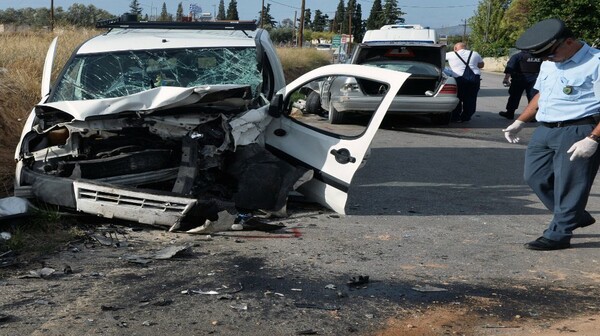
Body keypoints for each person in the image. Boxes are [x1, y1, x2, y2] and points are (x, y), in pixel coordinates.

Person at [502, 18, 600, 250]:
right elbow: (541, 95)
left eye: (551, 54)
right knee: (535, 177)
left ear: (568, 41)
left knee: (570, 185)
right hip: (544, 129)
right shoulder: (551, 62)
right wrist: (520, 121)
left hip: (578, 130)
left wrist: (593, 139)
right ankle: (575, 214)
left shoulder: (595, 62)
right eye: (544, 56)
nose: (547, 60)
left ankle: (559, 234)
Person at [446, 42, 485, 122]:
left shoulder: (450, 54)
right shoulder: (474, 53)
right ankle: (466, 116)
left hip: (458, 79)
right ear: (465, 48)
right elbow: (481, 65)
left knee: (457, 97)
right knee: (471, 98)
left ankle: (456, 117)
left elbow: (440, 60)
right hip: (474, 78)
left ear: (455, 48)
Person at [498, 50, 542, 120]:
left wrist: (506, 79)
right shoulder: (539, 56)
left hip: (519, 78)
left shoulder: (518, 56)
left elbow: (510, 68)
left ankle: (510, 113)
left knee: (514, 96)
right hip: (534, 79)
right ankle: (532, 116)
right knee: (533, 97)